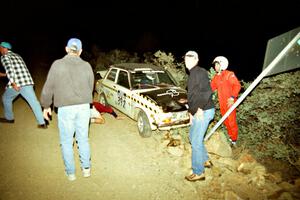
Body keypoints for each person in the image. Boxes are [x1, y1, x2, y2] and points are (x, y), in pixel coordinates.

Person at [40, 38, 94, 181]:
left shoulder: (58, 65)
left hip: (65, 108)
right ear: (81, 51)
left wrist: (46, 106)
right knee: (83, 139)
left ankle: (71, 173)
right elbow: (91, 86)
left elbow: (48, 87)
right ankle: (86, 169)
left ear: (66, 49)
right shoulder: (87, 66)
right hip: (83, 107)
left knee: (66, 141)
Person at [182, 51, 215, 182]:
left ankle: (198, 172)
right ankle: (205, 160)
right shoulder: (192, 74)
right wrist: (191, 113)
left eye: (190, 57)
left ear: (196, 59)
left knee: (195, 141)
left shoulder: (199, 72)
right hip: (197, 111)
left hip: (204, 111)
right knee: (192, 136)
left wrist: (200, 108)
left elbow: (207, 91)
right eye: (186, 58)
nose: (187, 60)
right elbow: (192, 97)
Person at [0, 42, 47, 128]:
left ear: (4, 48)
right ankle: (42, 123)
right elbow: (17, 70)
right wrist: (5, 77)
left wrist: (13, 83)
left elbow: (10, 70)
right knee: (34, 102)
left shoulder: (4, 57)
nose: (0, 50)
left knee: (6, 98)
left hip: (17, 83)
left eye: (0, 48)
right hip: (27, 81)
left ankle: (9, 118)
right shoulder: (18, 56)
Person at [210, 56, 241, 146]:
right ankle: (230, 137)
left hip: (230, 102)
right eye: (215, 64)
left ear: (222, 64)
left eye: (217, 64)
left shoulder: (229, 74)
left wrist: (232, 97)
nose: (215, 66)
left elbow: (237, 85)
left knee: (231, 121)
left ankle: (234, 140)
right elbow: (211, 88)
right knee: (226, 121)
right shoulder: (216, 77)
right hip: (222, 103)